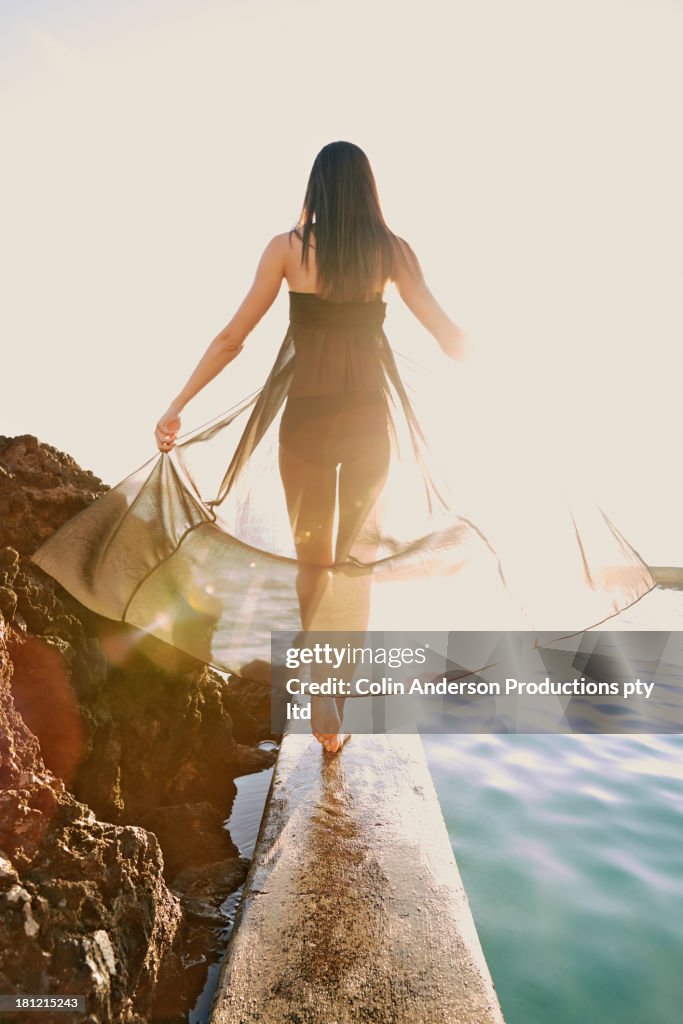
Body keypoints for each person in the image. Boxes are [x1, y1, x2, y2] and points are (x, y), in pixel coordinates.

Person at [30, 141, 657, 755]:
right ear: (367, 188)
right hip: (365, 425)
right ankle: (333, 699)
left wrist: (178, 403)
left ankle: (316, 684)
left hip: (305, 422)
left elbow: (231, 337)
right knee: (355, 558)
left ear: (316, 188)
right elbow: (446, 332)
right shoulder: (392, 252)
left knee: (314, 559)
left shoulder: (287, 249)